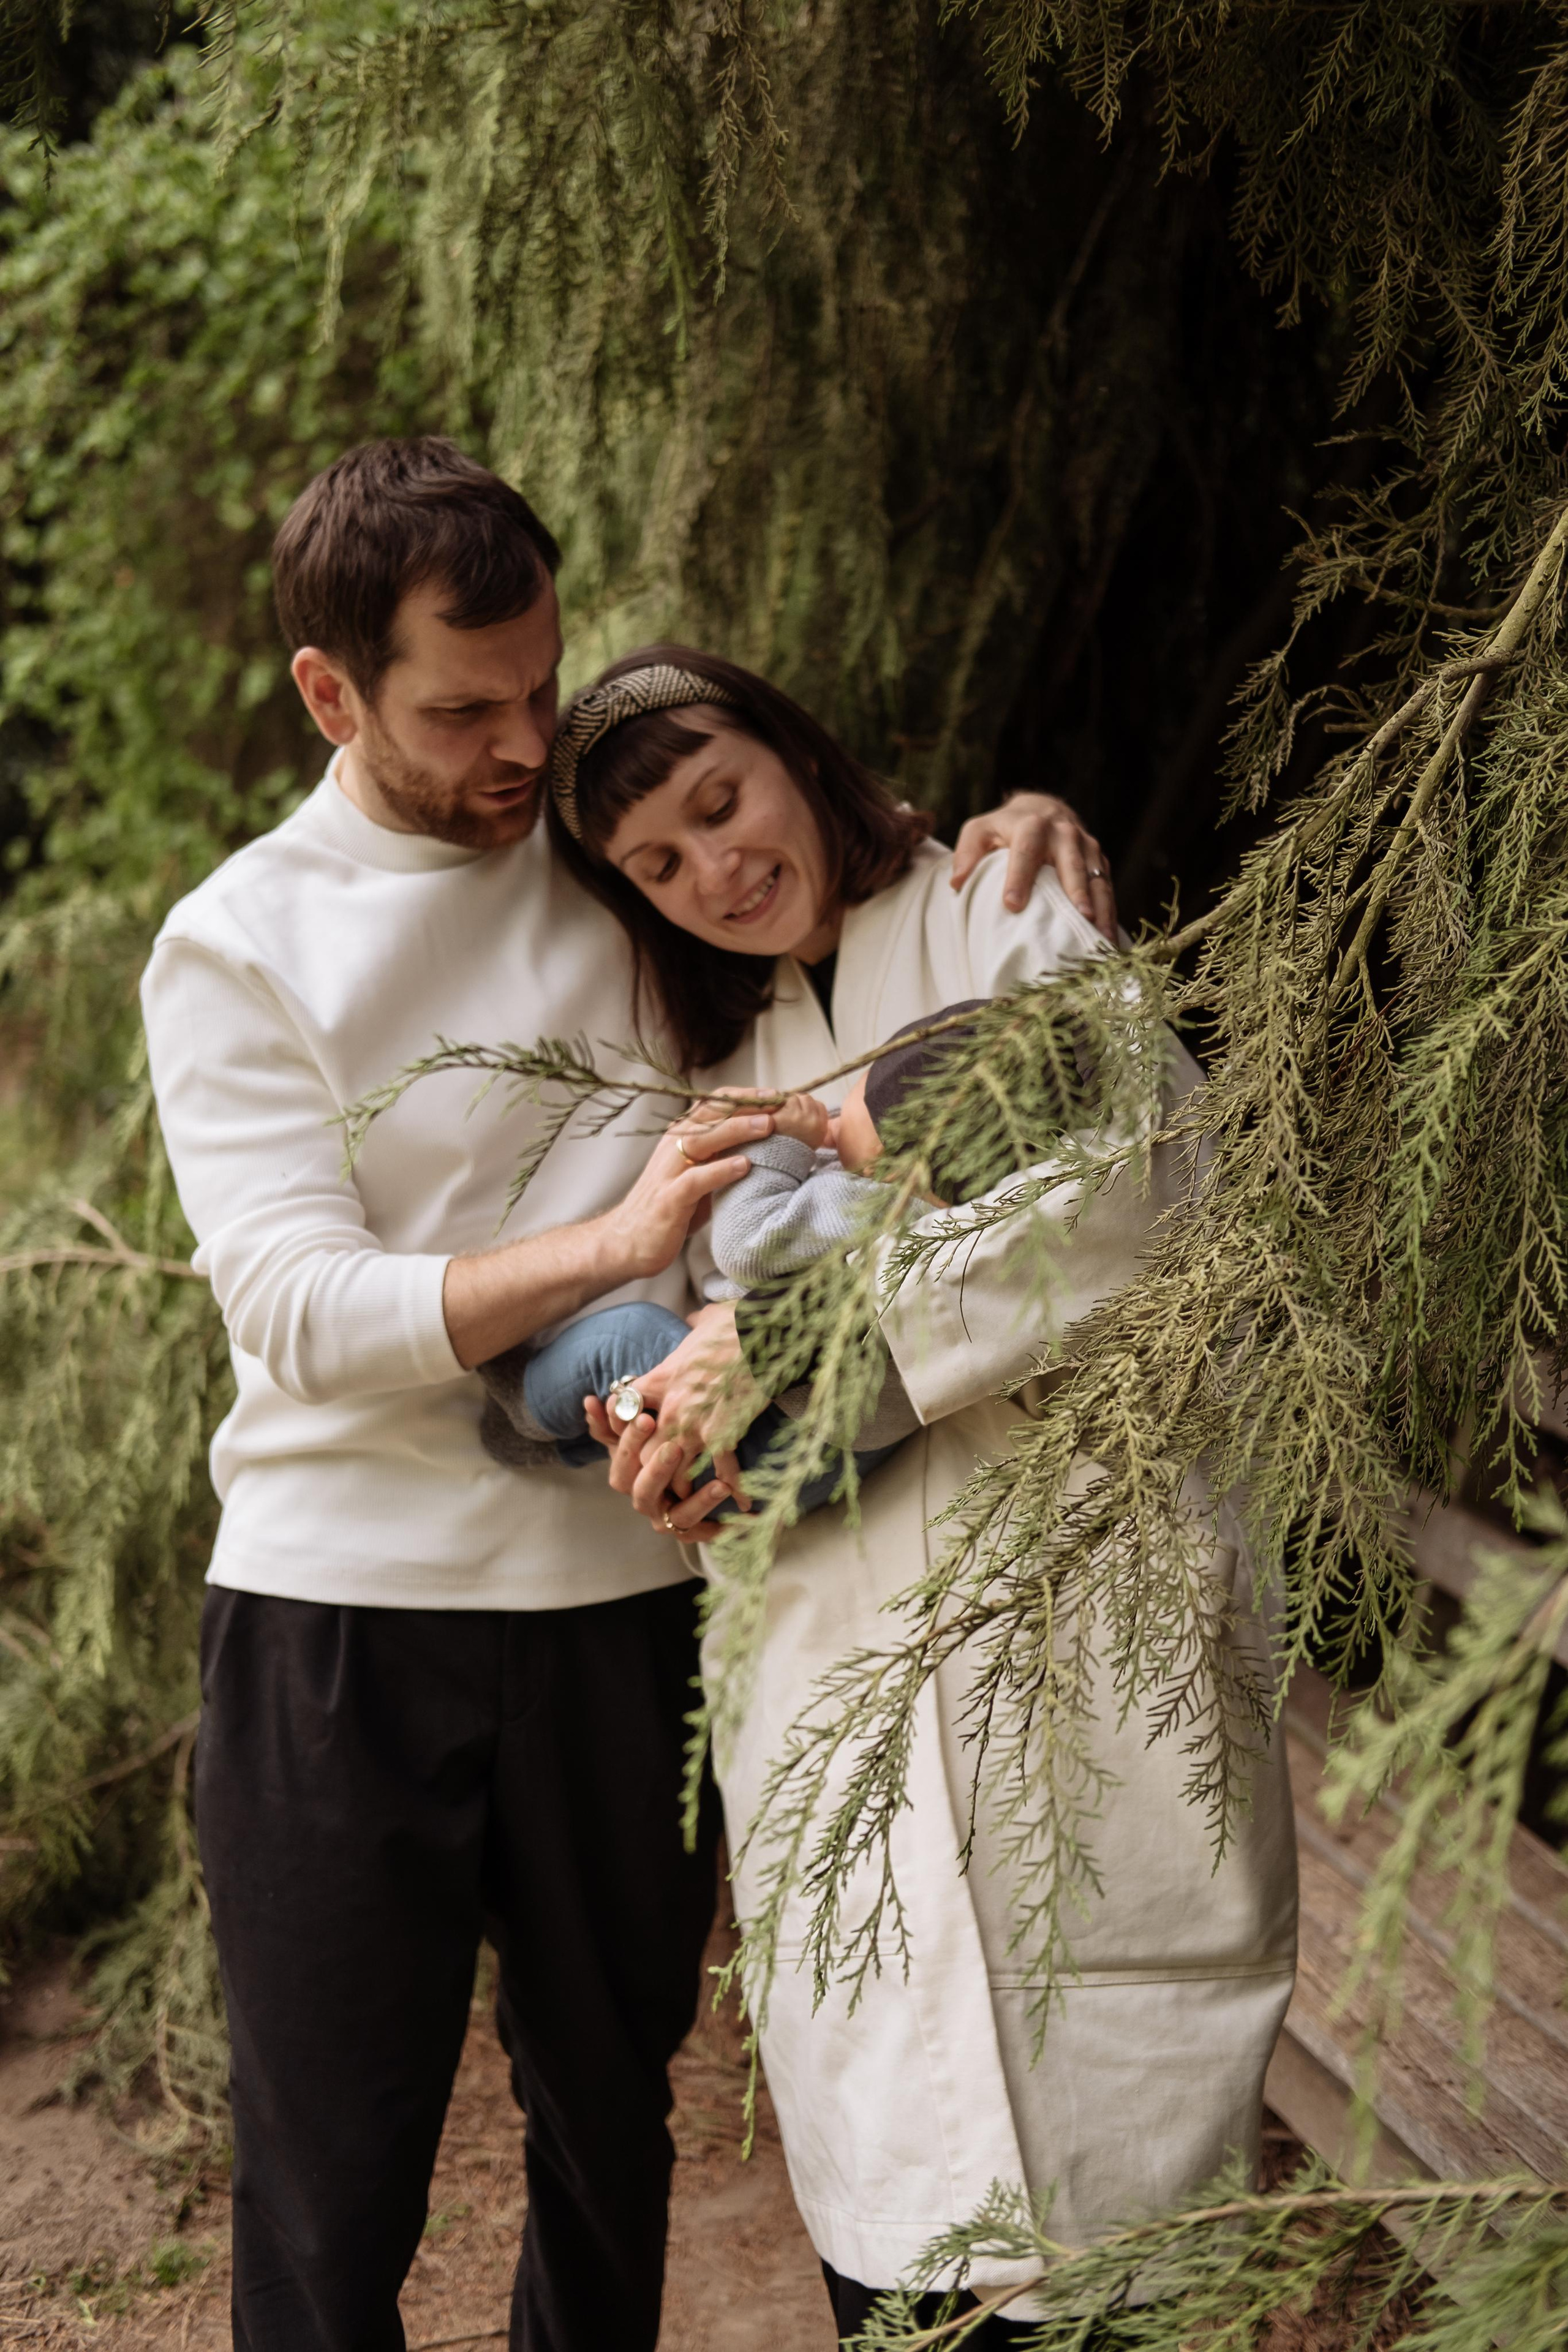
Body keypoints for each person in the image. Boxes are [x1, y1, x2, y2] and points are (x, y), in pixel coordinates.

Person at [137, 435, 1110, 2352]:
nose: (520, 739)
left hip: (624, 1604)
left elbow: (828, 881)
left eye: (538, 685)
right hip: (343, 1610)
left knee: (612, 2131)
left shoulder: (609, 865)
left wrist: (1013, 823)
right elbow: (297, 1304)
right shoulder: (240, 937)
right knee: (332, 2178)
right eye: (460, 707)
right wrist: (605, 1249)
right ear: (332, 692)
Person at [549, 647, 1300, 2347]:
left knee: (1114, 2239)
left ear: (794, 752)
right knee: (901, 2253)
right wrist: (691, 1441)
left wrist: (812, 1331)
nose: (714, 867)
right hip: (836, 1675)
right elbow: (687, 1336)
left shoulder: (999, 910)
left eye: (720, 801)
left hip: (1081, 1642)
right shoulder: (715, 1063)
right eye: (659, 862)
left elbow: (1128, 1192)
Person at [473, 1001, 1006, 1510]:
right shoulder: (945, 1214)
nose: (834, 1117)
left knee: (627, 1337)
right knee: (640, 1394)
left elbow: (745, 1246)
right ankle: (561, 1442)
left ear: (900, 1170)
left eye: (850, 1115)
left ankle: (524, 1405)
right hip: (827, 1457)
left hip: (774, 1435)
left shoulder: (872, 1204)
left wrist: (781, 1146)